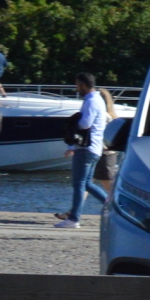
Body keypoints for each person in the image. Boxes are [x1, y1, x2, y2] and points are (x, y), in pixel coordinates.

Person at [52, 72, 109, 229]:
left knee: (78, 184)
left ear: (83, 85)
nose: (77, 88)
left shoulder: (91, 101)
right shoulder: (98, 100)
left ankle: (74, 219)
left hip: (86, 149)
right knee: (87, 184)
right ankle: (111, 206)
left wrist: (73, 121)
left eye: (77, 85)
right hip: (94, 148)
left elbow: (85, 124)